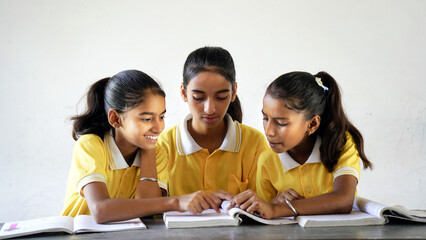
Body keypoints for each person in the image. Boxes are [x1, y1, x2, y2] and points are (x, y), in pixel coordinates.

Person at [61, 70, 217, 223]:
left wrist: (149, 150)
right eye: (147, 119)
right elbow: (100, 210)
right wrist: (176, 202)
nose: (158, 127)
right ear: (115, 119)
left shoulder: (158, 154)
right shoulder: (91, 145)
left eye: (161, 116)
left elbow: (149, 210)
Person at [230, 71, 373, 219]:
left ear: (312, 124)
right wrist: (274, 203)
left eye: (281, 123)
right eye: (265, 118)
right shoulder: (267, 160)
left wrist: (280, 209)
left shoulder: (339, 144)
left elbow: (343, 200)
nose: (269, 131)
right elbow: (264, 210)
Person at [156, 47, 269, 208]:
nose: (209, 108)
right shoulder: (164, 144)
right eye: (198, 97)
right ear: (183, 92)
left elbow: (263, 204)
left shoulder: (254, 142)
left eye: (221, 97)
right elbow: (151, 208)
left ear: (234, 91)